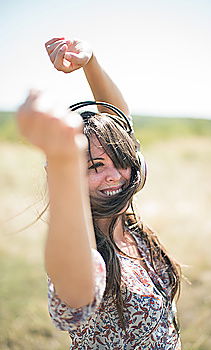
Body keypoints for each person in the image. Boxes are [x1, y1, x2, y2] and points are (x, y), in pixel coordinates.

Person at [17, 37, 181, 349]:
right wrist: (64, 158)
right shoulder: (84, 252)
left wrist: (90, 63)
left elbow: (123, 131)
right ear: (71, 179)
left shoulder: (132, 228)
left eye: (120, 161)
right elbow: (76, 296)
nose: (113, 176)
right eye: (93, 166)